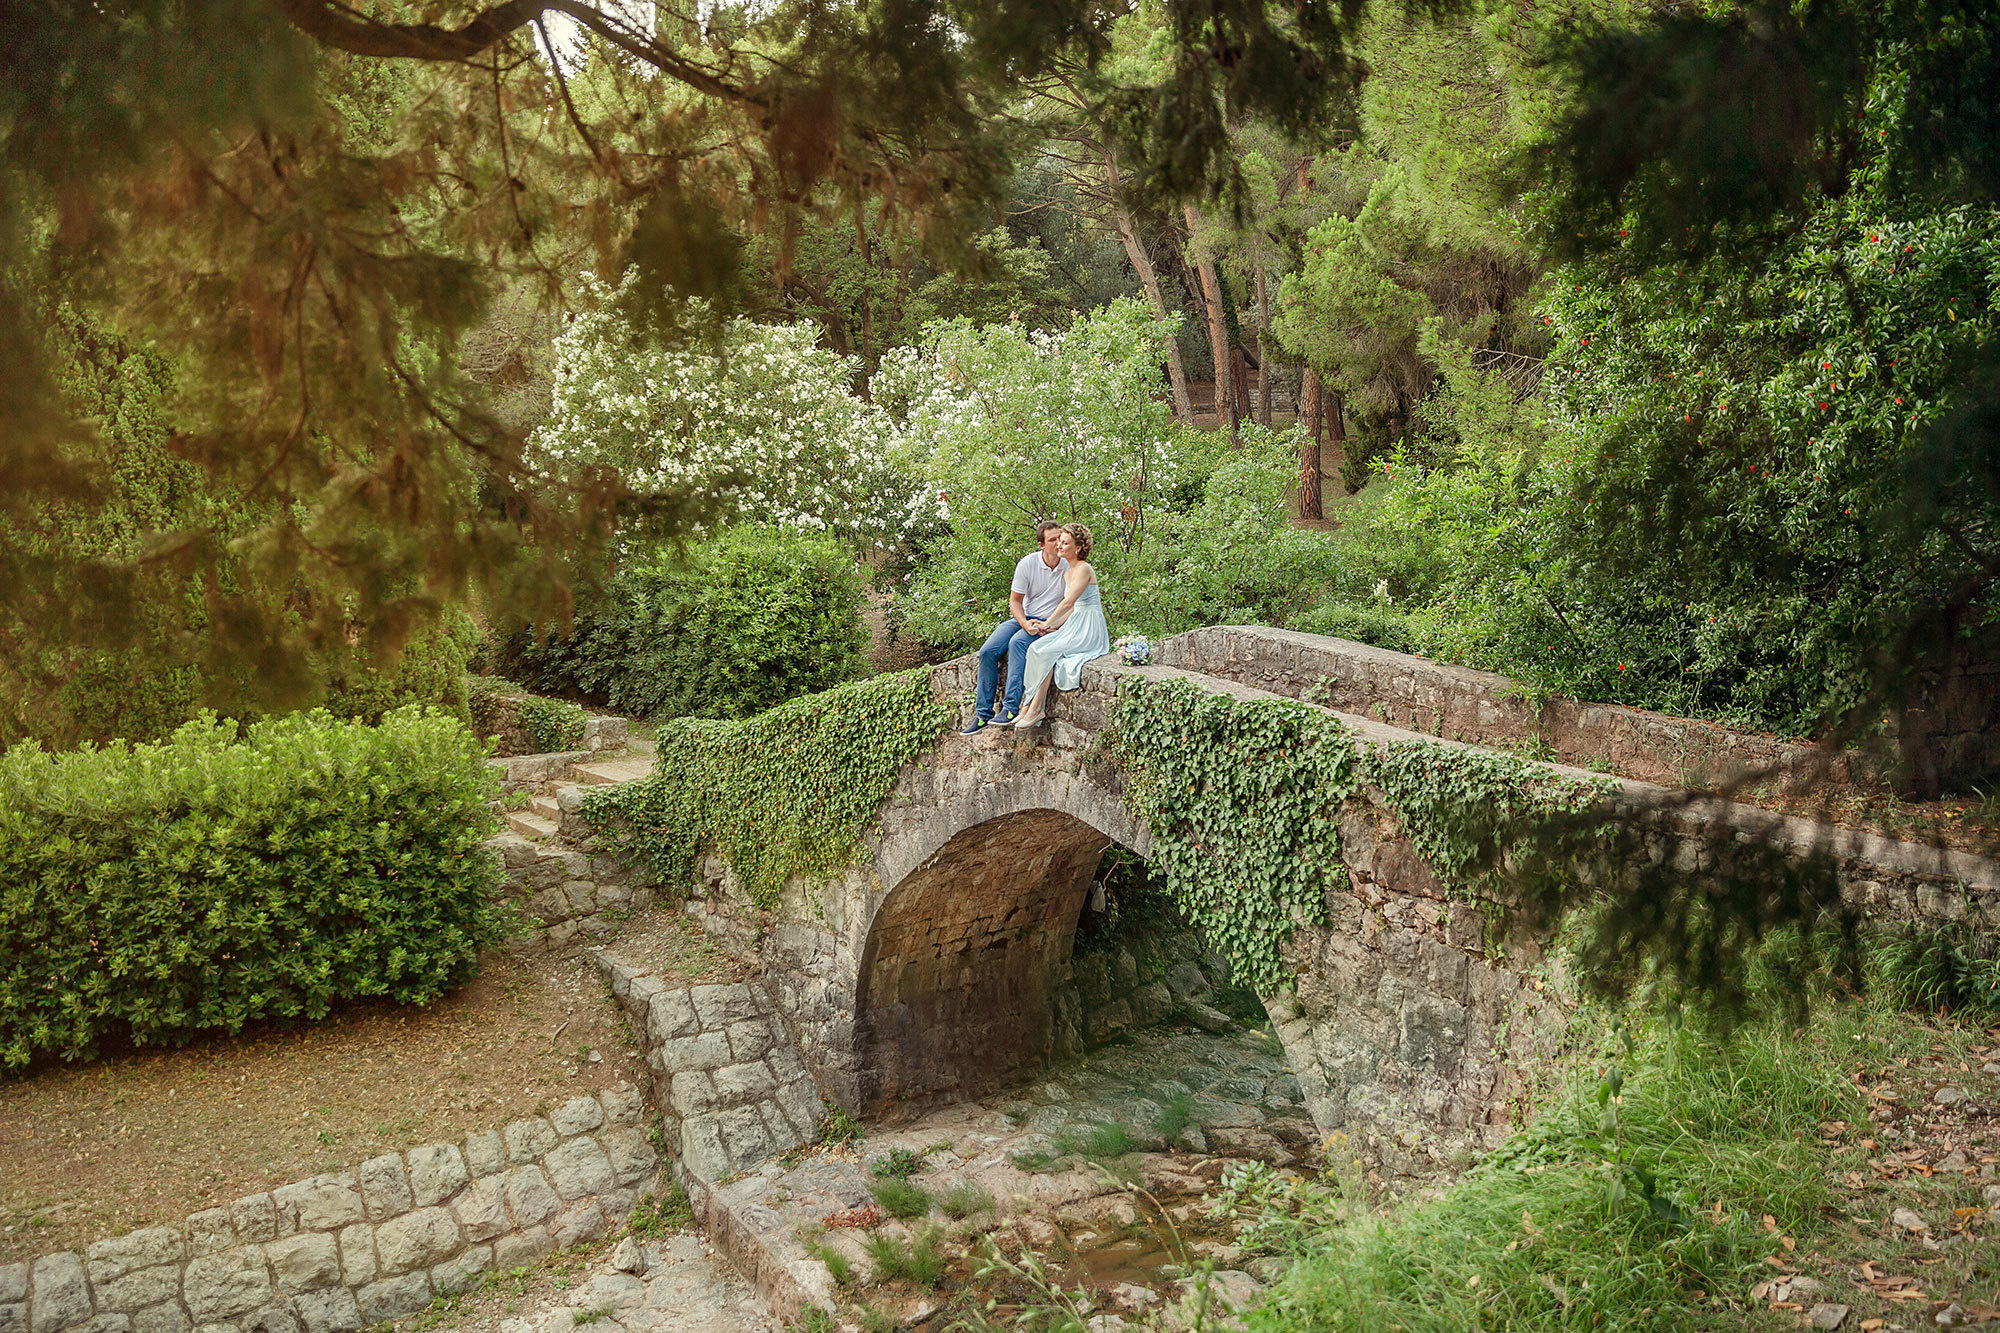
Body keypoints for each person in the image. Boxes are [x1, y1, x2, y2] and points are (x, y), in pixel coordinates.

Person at [962, 521, 1069, 733]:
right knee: (988, 651)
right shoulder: (1027, 564)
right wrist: (1025, 623)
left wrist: (1050, 625)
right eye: (1052, 540)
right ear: (1041, 545)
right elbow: (1015, 601)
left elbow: (1071, 604)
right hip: (1026, 617)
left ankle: (1010, 709)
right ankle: (983, 714)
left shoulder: (1069, 565)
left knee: (1017, 643)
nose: (1058, 543)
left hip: (1050, 623)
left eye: (1060, 538)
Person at [1012, 523, 1111, 728]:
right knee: (1036, 648)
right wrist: (1048, 627)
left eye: (1065, 543)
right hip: (1075, 622)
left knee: (1048, 651)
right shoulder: (1068, 572)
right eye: (1058, 541)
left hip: (1089, 626)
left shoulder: (1084, 569)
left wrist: (1047, 622)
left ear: (1077, 548)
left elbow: (1067, 603)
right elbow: (1069, 611)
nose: (1059, 546)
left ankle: (1037, 709)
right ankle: (1027, 704)